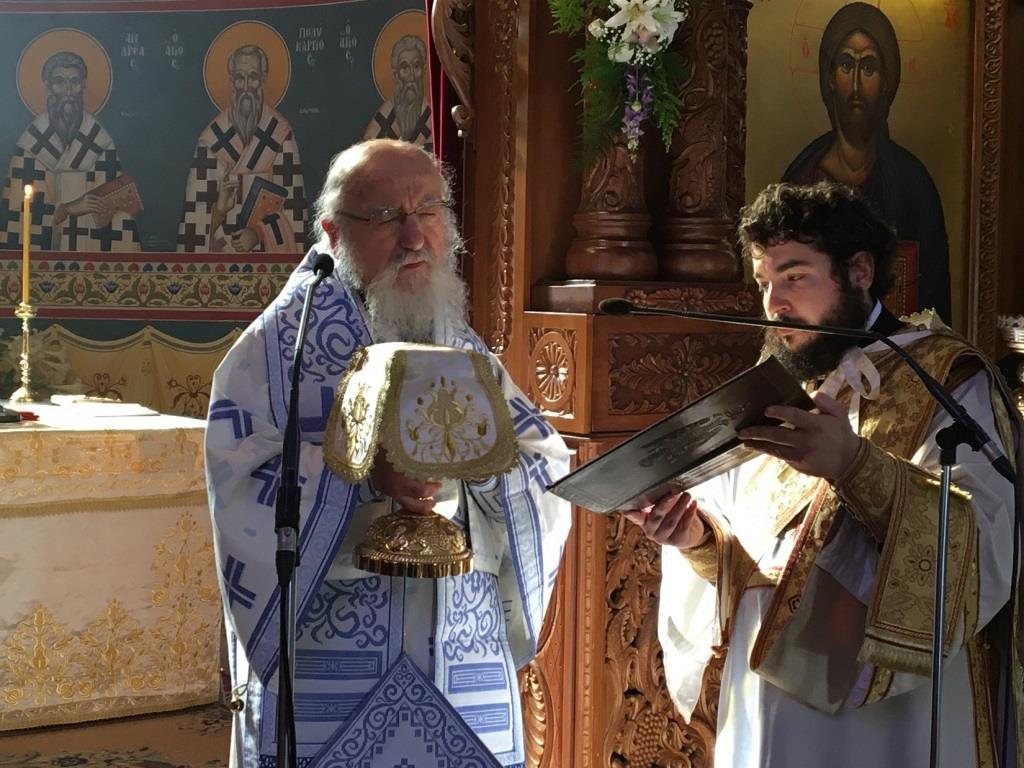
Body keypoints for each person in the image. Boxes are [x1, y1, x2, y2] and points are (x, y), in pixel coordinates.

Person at [627, 182, 1021, 767]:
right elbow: (747, 546)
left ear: (859, 271)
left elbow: (981, 538)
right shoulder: (776, 382)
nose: (774, 303)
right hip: (767, 696)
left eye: (794, 277)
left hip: (889, 709)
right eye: (764, 282)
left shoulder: (947, 377)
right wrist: (697, 538)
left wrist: (855, 466)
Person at [205, 139, 571, 766]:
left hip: (461, 646)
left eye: (428, 212)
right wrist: (359, 472)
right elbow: (237, 476)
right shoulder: (280, 349)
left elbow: (544, 461)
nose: (413, 237)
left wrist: (480, 470)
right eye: (385, 217)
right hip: (330, 653)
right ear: (332, 233)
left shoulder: (462, 345)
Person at [782, 2, 951, 322]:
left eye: (869, 67)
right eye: (846, 65)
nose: (857, 85)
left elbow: (933, 306)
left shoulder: (914, 184)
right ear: (829, 78)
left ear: (887, 81)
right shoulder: (801, 178)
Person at [1, 51, 142, 252]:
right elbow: (17, 210)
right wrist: (67, 209)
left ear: (83, 86)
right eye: (60, 82)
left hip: (91, 234)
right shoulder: (32, 141)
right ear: (48, 87)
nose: (68, 90)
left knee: (123, 221)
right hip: (48, 236)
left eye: (74, 82)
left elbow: (112, 199)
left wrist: (102, 205)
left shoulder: (97, 138)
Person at [177, 44, 306, 253]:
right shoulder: (211, 141)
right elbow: (192, 224)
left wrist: (258, 234)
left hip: (267, 263)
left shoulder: (280, 136)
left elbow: (295, 214)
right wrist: (219, 211)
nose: (245, 87)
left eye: (253, 77)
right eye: (239, 78)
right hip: (220, 260)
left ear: (263, 80)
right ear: (231, 82)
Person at [363, 35, 433, 151]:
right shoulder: (385, 115)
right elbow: (368, 150)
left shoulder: (432, 114)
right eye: (404, 68)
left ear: (424, 70)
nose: (411, 76)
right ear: (396, 73)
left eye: (416, 66)